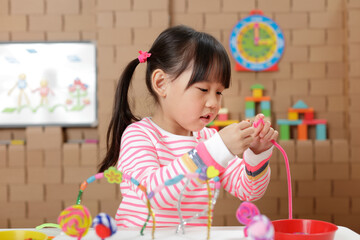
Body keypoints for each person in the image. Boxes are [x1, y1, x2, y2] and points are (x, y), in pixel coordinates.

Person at [98, 25, 278, 228]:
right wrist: (216, 149)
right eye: (203, 89)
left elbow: (249, 191)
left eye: (219, 92)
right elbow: (152, 194)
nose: (213, 103)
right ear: (161, 83)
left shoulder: (207, 139)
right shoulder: (139, 135)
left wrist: (257, 154)